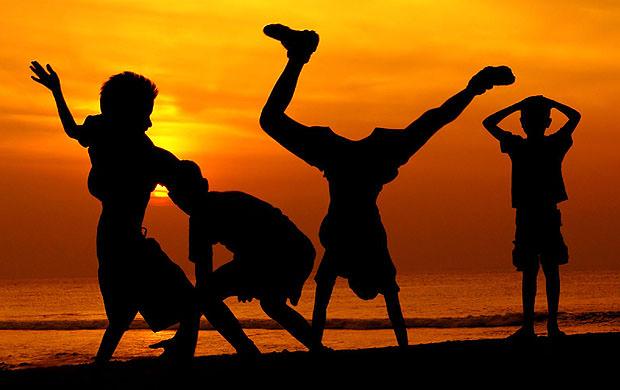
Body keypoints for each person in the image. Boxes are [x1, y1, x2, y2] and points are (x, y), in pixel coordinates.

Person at [259, 24, 516, 348]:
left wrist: (400, 346)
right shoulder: (350, 253)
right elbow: (324, 303)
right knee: (270, 120)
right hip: (347, 163)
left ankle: (476, 86)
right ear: (354, 279)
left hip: (366, 164)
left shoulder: (363, 253)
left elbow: (384, 306)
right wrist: (317, 348)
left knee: (431, 123)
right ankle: (298, 55)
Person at [29, 62, 199, 363]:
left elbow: (72, 131)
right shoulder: (131, 147)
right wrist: (56, 91)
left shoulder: (109, 138)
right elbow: (174, 171)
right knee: (183, 300)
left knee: (125, 313)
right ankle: (180, 353)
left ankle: (104, 363)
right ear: (128, 113)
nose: (149, 123)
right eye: (145, 113)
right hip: (123, 241)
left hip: (114, 239)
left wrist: (57, 92)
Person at [153, 160, 322, 356]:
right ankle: (315, 347)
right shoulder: (211, 211)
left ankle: (247, 349)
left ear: (204, 186)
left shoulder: (212, 212)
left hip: (288, 252)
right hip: (291, 252)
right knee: (271, 304)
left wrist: (248, 276)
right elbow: (204, 280)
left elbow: (263, 235)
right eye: (175, 195)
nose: (180, 201)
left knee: (223, 297)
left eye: (182, 193)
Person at [483, 95, 580, 339]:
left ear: (524, 123)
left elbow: (489, 122)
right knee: (547, 271)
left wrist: (519, 105)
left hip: (533, 214)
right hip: (541, 213)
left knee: (535, 272)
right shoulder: (551, 144)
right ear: (547, 122)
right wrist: (551, 102)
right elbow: (575, 116)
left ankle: (534, 327)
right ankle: (548, 326)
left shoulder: (519, 145)